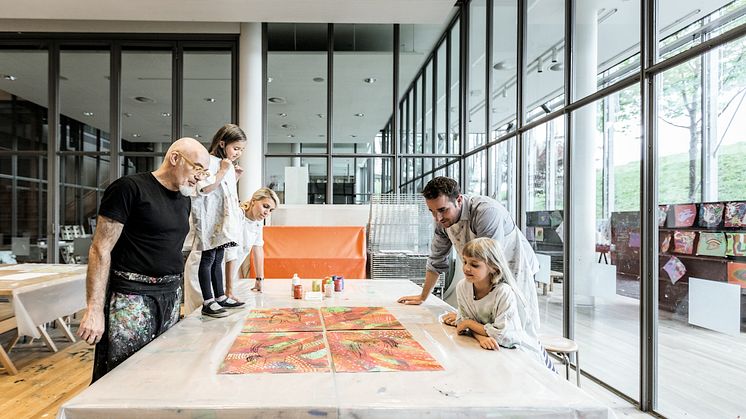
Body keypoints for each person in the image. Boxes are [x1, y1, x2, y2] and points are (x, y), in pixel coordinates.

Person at [76, 137, 210, 383]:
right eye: (198, 168)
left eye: (204, 172)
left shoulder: (184, 199)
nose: (200, 177)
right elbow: (99, 249)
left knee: (160, 371)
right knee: (123, 374)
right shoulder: (129, 188)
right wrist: (94, 309)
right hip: (131, 296)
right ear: (175, 158)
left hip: (169, 295)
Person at [397, 176, 541, 333]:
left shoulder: (486, 212)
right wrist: (423, 296)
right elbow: (436, 259)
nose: (437, 218)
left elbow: (487, 263)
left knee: (514, 327)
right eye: (432, 211)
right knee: (490, 330)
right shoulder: (442, 221)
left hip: (515, 268)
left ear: (458, 200)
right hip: (486, 271)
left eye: (442, 210)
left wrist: (465, 317)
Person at [443, 238, 555, 371]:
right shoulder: (463, 287)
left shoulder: (503, 292)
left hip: (526, 354)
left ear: (493, 267)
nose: (466, 268)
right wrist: (480, 336)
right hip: (495, 351)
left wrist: (470, 324)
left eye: (474, 265)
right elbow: (462, 324)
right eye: (465, 261)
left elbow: (503, 336)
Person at [185, 124, 247, 318]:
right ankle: (208, 301)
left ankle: (220, 296)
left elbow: (223, 192)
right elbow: (204, 188)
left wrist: (233, 177)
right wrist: (222, 171)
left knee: (219, 258)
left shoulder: (225, 163)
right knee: (208, 258)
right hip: (209, 220)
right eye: (236, 148)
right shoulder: (209, 161)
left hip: (222, 221)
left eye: (241, 150)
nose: (238, 153)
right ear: (222, 143)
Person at [225, 187, 279, 294]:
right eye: (265, 206)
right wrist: (229, 287)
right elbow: (230, 253)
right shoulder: (237, 216)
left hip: (231, 273)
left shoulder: (258, 223)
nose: (267, 213)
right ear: (253, 201)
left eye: (270, 210)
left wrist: (259, 279)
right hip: (217, 268)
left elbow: (258, 249)